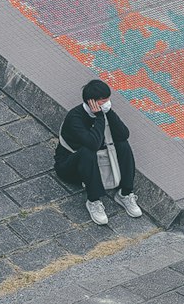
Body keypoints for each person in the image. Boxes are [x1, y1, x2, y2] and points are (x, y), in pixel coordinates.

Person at [55, 79, 141, 225]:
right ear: (91, 102)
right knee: (87, 152)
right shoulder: (75, 118)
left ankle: (125, 193)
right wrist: (100, 117)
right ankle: (93, 201)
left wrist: (109, 113)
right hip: (70, 167)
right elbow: (93, 144)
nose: (107, 104)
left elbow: (123, 134)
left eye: (108, 100)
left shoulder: (105, 112)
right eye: (104, 101)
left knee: (123, 144)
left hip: (98, 163)